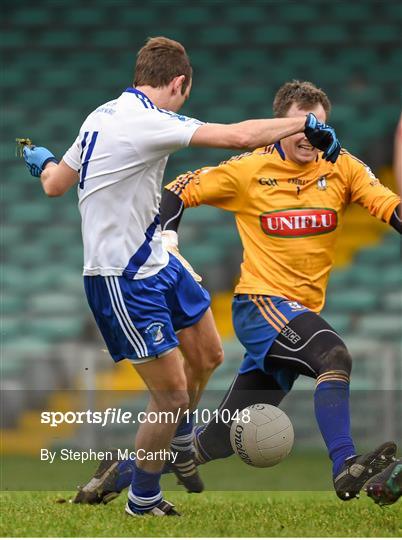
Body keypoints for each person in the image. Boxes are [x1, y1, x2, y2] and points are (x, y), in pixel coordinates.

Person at [21, 38, 340, 517]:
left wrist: (41, 160)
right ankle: (144, 497)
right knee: (170, 393)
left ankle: (183, 435)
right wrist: (307, 123)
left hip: (156, 259)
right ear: (178, 83)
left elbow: (54, 185)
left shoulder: (100, 115)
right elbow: (238, 138)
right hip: (120, 276)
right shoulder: (148, 121)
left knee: (209, 352)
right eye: (185, 93)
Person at [159, 80, 401, 502]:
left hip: (296, 320)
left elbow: (387, 205)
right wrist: (167, 237)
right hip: (259, 306)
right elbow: (178, 189)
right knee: (334, 355)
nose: (309, 135)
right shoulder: (249, 169)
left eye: (317, 126)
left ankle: (117, 473)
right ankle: (344, 464)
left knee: (214, 441)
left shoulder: (340, 165)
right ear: (275, 127)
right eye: (299, 126)